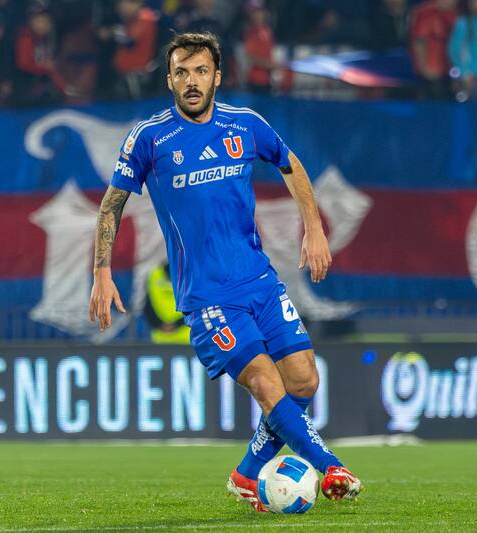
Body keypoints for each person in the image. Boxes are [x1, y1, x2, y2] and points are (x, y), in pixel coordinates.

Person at [89, 32, 363, 512]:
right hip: (208, 297)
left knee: (304, 381)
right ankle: (330, 466)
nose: (190, 82)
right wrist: (102, 271)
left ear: (217, 76)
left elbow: (290, 163)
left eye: (199, 72)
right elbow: (111, 206)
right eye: (180, 73)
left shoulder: (245, 124)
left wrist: (314, 228)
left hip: (259, 281)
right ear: (169, 79)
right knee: (265, 384)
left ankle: (247, 474)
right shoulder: (151, 137)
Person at [14, 4, 67, 107]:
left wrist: (63, 87)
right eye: (39, 20)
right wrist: (44, 66)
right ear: (31, 22)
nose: (43, 24)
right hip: (26, 90)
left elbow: (51, 69)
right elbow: (24, 64)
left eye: (46, 21)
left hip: (39, 88)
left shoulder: (44, 40)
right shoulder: (26, 38)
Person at [409, 0, 457, 99]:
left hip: (448, 72)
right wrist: (424, 69)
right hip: (430, 74)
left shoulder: (456, 13)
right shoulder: (426, 13)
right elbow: (419, 42)